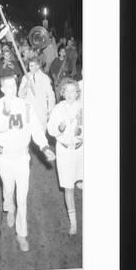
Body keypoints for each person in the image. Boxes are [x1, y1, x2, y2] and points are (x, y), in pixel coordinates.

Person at [0, 76, 55, 252]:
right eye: (7, 87)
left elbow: (36, 129)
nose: (11, 89)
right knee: (8, 190)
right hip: (5, 158)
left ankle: (22, 234)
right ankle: (9, 208)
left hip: (22, 158)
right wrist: (6, 110)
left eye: (14, 86)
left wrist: (44, 147)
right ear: (2, 89)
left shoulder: (26, 106)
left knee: (22, 198)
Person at [47, 78, 83, 235]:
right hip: (64, 151)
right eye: (66, 91)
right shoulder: (58, 109)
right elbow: (50, 130)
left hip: (81, 151)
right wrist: (59, 128)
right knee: (68, 187)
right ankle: (73, 223)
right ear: (62, 93)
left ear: (77, 93)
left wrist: (81, 131)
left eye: (72, 91)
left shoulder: (82, 107)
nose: (69, 94)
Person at [18, 57, 55, 129]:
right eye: (29, 66)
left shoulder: (44, 78)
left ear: (37, 66)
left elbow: (51, 95)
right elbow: (20, 95)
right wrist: (26, 86)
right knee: (29, 131)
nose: (29, 68)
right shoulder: (25, 77)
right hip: (29, 109)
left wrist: (50, 109)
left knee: (42, 130)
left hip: (41, 108)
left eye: (32, 66)